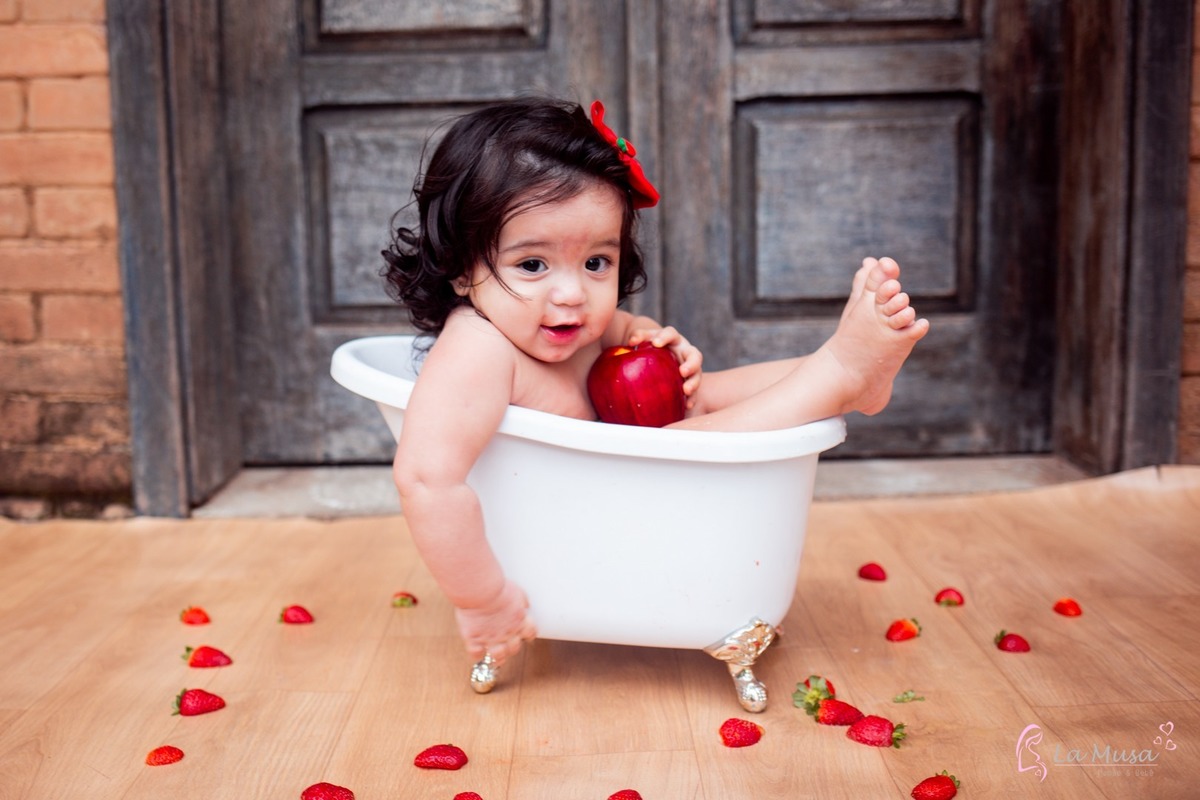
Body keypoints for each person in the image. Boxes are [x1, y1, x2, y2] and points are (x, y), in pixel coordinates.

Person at [382, 96, 929, 667]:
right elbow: (426, 480)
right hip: (602, 514)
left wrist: (655, 343)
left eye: (597, 262)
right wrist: (482, 597)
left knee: (704, 396)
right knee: (693, 439)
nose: (571, 294)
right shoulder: (477, 350)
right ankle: (840, 371)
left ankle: (845, 375)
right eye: (533, 265)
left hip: (636, 500)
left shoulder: (564, 324)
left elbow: (627, 327)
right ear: (462, 268)